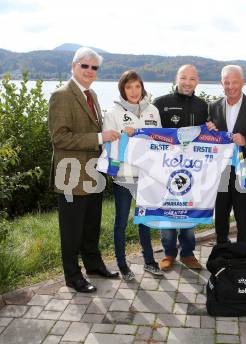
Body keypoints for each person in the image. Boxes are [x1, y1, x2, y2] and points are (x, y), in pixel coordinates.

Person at [48, 47, 120, 293]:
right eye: (84, 65)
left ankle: (94, 265)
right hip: (70, 176)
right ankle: (72, 276)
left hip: (93, 173)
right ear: (73, 66)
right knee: (71, 230)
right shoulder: (61, 95)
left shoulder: (93, 95)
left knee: (91, 225)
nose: (90, 71)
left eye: (94, 67)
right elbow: (60, 138)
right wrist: (99, 137)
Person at [103, 70, 163, 280]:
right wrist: (123, 136)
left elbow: (159, 141)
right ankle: (122, 264)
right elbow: (109, 145)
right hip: (124, 176)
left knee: (145, 220)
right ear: (122, 89)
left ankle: (149, 261)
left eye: (137, 86)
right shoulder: (113, 114)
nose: (134, 91)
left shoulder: (153, 111)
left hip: (147, 176)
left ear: (142, 87)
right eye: (129, 87)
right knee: (121, 221)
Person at [153, 64, 208, 271]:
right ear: (176, 78)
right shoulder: (160, 103)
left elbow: (206, 137)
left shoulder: (203, 106)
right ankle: (168, 253)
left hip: (192, 170)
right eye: (184, 77)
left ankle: (187, 253)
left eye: (192, 79)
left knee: (188, 213)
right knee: (167, 213)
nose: (187, 82)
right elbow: (151, 134)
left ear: (197, 81)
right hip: (166, 169)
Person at [208, 65, 246, 244]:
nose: (230, 86)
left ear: (243, 82)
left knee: (243, 220)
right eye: (226, 82)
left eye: (235, 82)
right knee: (220, 219)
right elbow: (209, 139)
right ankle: (222, 256)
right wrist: (210, 132)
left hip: (245, 171)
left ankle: (244, 258)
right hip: (220, 173)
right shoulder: (213, 106)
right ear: (221, 83)